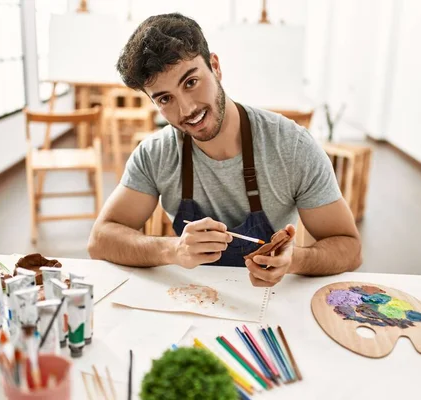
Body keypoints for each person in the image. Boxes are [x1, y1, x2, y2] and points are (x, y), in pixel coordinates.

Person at [88, 13, 362, 287]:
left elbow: (350, 249)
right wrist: (173, 250)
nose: (187, 110)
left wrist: (295, 260)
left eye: (191, 82)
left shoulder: (291, 147)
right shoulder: (155, 154)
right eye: (165, 98)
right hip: (191, 299)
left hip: (269, 301)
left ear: (215, 67)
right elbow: (100, 240)